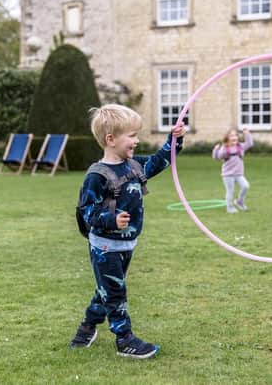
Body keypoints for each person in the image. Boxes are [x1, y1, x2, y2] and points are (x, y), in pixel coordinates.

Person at [70, 104, 186, 359]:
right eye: (131, 136)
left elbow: (159, 161)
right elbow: (86, 210)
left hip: (126, 245)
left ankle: (86, 328)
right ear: (110, 139)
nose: (136, 141)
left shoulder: (133, 166)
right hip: (105, 246)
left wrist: (174, 140)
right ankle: (125, 339)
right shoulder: (97, 176)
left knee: (107, 289)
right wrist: (110, 219)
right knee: (115, 292)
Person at [212, 128, 253, 213]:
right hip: (228, 174)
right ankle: (229, 208)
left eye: (235, 135)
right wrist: (216, 150)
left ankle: (239, 202)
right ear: (227, 138)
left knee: (245, 186)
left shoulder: (240, 146)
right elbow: (217, 157)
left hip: (239, 174)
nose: (234, 137)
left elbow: (249, 144)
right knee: (230, 191)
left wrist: (247, 134)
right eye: (231, 136)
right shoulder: (225, 148)